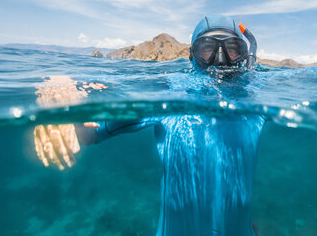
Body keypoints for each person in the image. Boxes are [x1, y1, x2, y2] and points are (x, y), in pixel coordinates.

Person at [34, 16, 264, 236]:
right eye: (207, 49)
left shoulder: (255, 98)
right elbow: (89, 134)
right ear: (192, 57)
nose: (220, 59)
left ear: (244, 57)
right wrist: (58, 97)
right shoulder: (168, 93)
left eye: (232, 49)